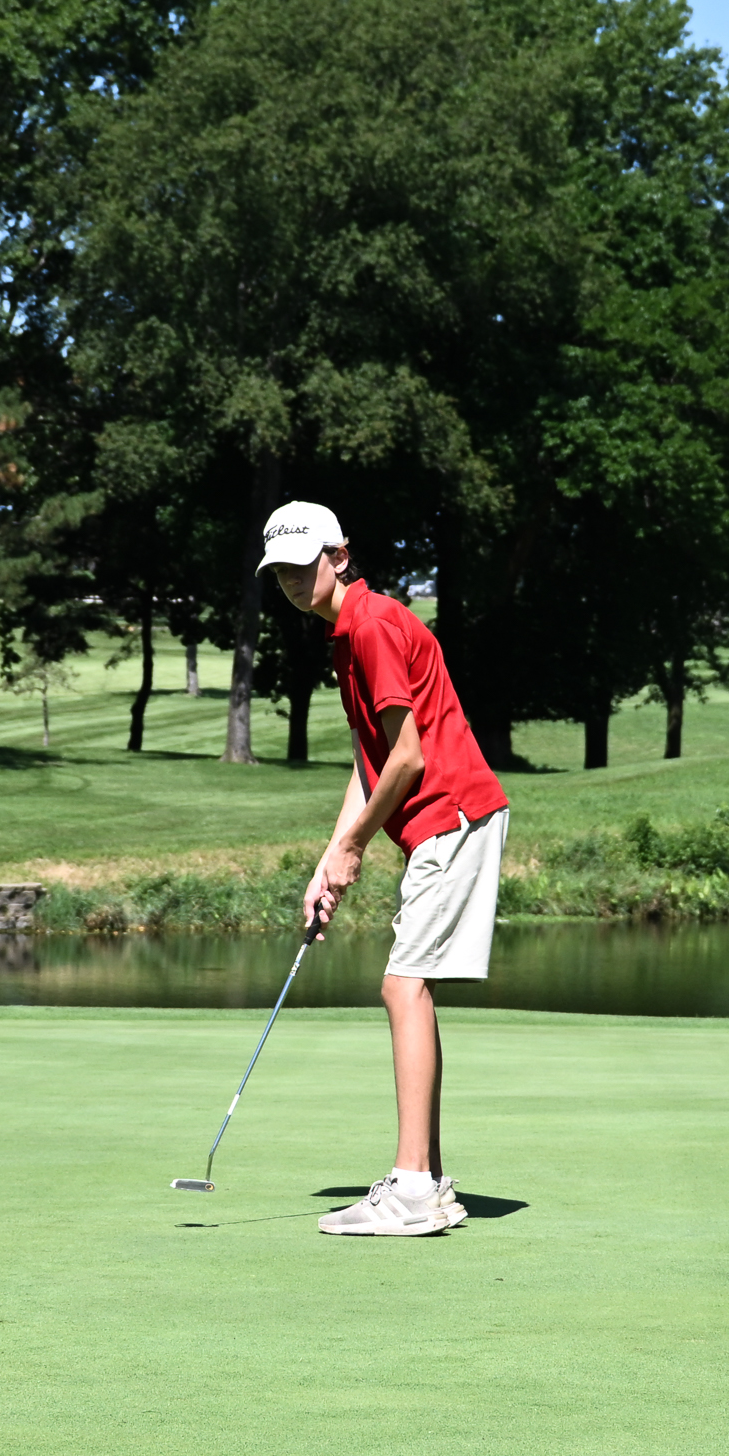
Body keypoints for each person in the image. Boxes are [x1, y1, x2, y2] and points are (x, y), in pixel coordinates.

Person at [258, 500, 510, 1237]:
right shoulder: (350, 631)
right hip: (443, 821)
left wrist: (354, 847)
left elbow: (409, 759)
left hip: (451, 815)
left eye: (303, 565)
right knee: (411, 987)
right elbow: (370, 763)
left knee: (402, 985)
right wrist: (330, 857)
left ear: (338, 556)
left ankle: (411, 1191)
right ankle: (427, 1183)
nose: (292, 581)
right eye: (280, 572)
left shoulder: (368, 626)